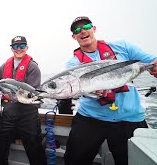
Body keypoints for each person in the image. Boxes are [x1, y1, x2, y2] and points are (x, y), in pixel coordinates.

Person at [64, 16, 157, 165]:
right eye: (77, 30)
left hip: (129, 118)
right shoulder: (73, 65)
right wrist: (94, 93)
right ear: (74, 36)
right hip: (90, 118)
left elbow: (152, 60)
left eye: (86, 27)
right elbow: (78, 90)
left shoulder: (123, 47)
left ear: (94, 29)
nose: (82, 31)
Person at [0, 36, 47, 165]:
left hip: (28, 115)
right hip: (9, 113)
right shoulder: (4, 66)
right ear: (11, 48)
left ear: (27, 48)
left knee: (35, 149)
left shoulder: (32, 67)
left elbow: (33, 93)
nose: (18, 49)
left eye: (22, 46)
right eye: (15, 46)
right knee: (0, 146)